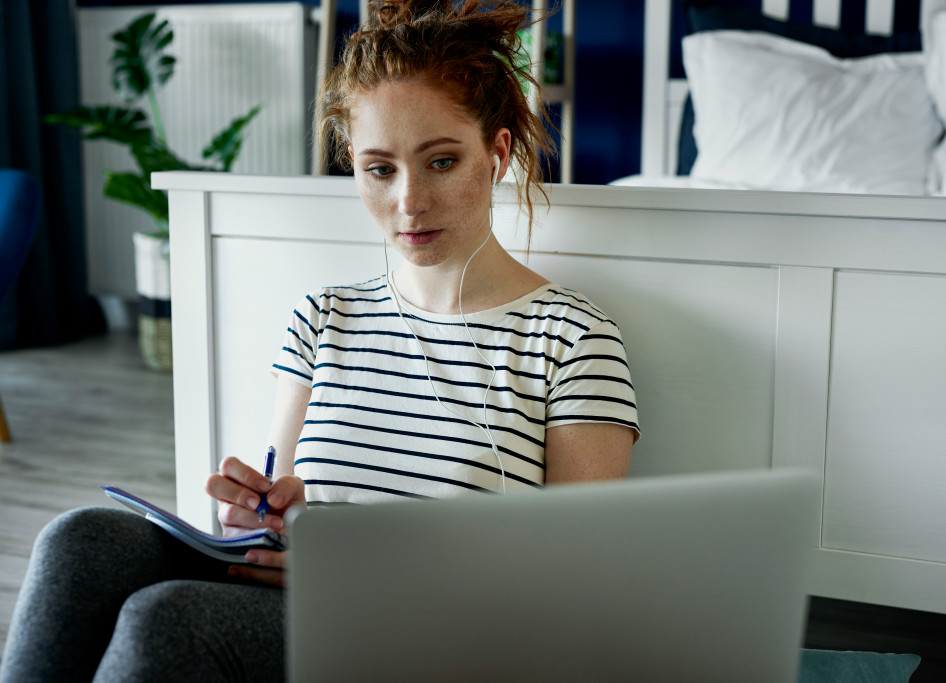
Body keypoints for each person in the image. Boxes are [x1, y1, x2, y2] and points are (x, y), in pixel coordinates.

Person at [0, 1, 638, 680]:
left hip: (433, 633)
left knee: (167, 618)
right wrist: (254, 517)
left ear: (498, 154)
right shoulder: (325, 315)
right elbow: (280, 502)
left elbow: (574, 579)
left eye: (442, 161)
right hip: (296, 604)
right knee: (81, 540)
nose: (409, 201)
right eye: (380, 169)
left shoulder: (571, 337)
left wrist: (360, 569)